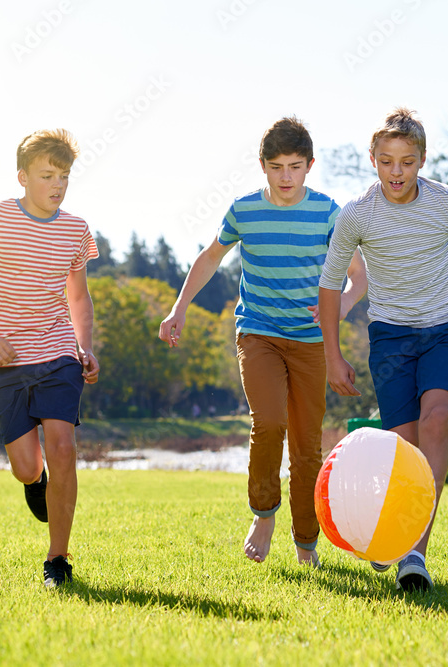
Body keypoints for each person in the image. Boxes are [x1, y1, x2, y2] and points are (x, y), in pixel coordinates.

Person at [318, 107, 448, 592]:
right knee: (404, 446)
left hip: (446, 329)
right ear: (372, 159)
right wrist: (333, 356)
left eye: (407, 162)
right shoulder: (356, 215)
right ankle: (387, 529)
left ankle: (414, 551)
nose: (397, 172)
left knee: (437, 421)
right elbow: (330, 288)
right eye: (388, 161)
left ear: (422, 160)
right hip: (390, 336)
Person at [159, 117, 366, 568]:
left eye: (295, 166)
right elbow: (211, 257)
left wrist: (345, 305)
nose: (286, 176)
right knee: (269, 422)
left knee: (309, 446)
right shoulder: (244, 211)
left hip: (311, 339)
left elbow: (358, 274)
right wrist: (179, 308)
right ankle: (263, 514)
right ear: (263, 166)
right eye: (276, 167)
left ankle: (306, 542)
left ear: (310, 166)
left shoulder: (328, 212)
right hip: (259, 333)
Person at [0, 129, 99, 588]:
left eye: (64, 176)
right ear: (23, 177)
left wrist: (85, 346)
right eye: (47, 175)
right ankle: (36, 483)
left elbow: (79, 297)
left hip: (56, 355)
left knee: (63, 448)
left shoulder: (76, 230)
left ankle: (58, 559)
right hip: (2, 363)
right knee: (27, 466)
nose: (57, 185)